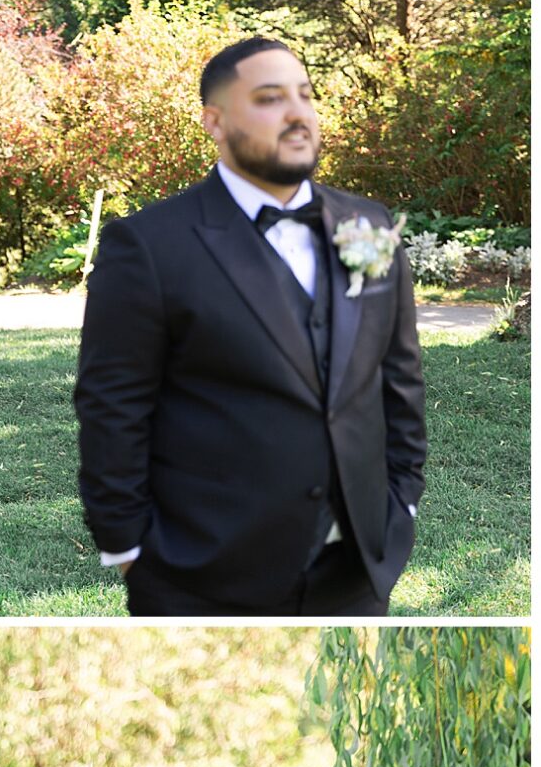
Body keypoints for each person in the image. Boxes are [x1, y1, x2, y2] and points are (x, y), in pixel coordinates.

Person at [74, 39, 427, 616]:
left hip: (355, 568)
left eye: (305, 95)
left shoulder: (370, 223)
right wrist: (129, 547)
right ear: (214, 121)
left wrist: (402, 501)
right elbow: (112, 405)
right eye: (268, 98)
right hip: (201, 572)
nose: (296, 113)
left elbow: (399, 376)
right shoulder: (149, 245)